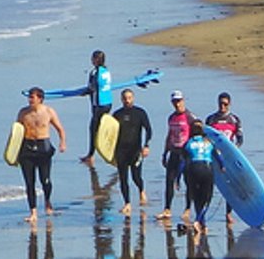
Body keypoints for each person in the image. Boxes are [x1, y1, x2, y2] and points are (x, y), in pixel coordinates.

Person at [15, 87, 67, 225]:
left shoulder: (49, 112)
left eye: (33, 97)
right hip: (26, 147)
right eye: (29, 97)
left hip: (43, 147)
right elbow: (16, 134)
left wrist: (62, 143)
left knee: (45, 180)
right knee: (29, 183)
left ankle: (47, 200)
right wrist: (13, 152)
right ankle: (33, 212)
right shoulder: (23, 113)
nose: (30, 100)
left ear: (40, 99)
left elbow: (60, 129)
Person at [204, 92, 245, 225]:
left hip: (228, 157)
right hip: (214, 157)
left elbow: (240, 139)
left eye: (225, 104)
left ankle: (228, 213)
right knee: (208, 184)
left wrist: (234, 150)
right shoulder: (211, 119)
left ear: (229, 104)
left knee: (230, 185)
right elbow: (206, 137)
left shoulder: (234, 120)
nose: (222, 107)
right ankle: (203, 211)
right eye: (220, 104)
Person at [111, 88, 152, 217]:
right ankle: (127, 203)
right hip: (121, 151)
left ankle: (141, 190)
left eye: (129, 98)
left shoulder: (140, 113)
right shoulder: (117, 114)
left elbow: (149, 130)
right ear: (121, 99)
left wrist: (146, 146)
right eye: (125, 98)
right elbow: (109, 134)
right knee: (123, 178)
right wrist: (109, 152)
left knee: (136, 176)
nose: (127, 100)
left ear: (133, 98)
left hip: (135, 151)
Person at [157, 91, 193, 224]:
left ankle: (188, 209)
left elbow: (198, 133)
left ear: (183, 100)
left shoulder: (189, 117)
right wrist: (165, 152)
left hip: (186, 154)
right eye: (175, 101)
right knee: (169, 181)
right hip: (174, 152)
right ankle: (167, 209)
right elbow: (169, 135)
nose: (177, 104)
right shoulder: (171, 117)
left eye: (179, 101)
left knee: (188, 182)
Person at [180, 120, 216, 240]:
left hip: (193, 170)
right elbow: (219, 159)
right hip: (206, 169)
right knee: (208, 197)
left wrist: (177, 178)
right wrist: (223, 168)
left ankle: (202, 224)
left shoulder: (188, 143)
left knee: (197, 197)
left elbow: (183, 163)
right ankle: (198, 220)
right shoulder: (209, 142)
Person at [79, 50, 111, 165]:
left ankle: (91, 155)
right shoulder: (106, 71)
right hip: (108, 103)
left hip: (98, 104)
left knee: (93, 129)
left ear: (96, 60)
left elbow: (93, 87)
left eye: (93, 58)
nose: (91, 60)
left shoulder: (94, 72)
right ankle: (94, 153)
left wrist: (85, 92)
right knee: (104, 128)